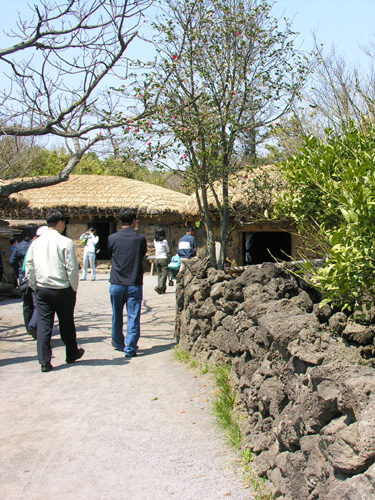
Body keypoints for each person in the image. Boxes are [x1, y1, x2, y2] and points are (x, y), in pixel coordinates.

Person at [25, 209, 84, 372]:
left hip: (43, 289)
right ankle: (71, 352)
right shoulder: (65, 242)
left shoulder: (36, 242)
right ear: (59, 223)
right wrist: (73, 287)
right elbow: (72, 268)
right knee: (66, 322)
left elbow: (29, 265)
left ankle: (44, 360)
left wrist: (34, 285)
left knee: (44, 325)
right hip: (62, 289)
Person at [108, 209, 147, 358]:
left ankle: (118, 342)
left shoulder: (112, 238)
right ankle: (130, 347)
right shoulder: (140, 239)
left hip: (116, 282)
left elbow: (111, 254)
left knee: (116, 314)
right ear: (133, 221)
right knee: (133, 316)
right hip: (134, 283)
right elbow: (142, 255)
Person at [10, 224, 38, 336]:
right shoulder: (35, 245)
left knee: (27, 303)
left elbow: (12, 261)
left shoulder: (19, 246)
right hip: (34, 277)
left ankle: (28, 327)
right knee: (37, 303)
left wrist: (19, 272)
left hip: (23, 278)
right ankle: (34, 325)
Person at [153, 228, 170, 294]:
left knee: (159, 274)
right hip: (163, 258)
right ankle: (160, 286)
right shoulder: (164, 241)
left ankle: (162, 288)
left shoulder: (155, 241)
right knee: (164, 273)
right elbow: (167, 250)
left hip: (157, 258)